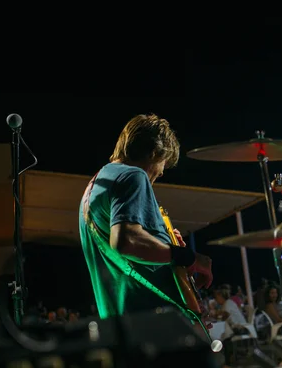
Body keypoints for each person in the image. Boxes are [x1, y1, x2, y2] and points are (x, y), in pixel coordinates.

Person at [79, 113, 214, 322]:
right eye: (162, 165)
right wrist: (189, 257)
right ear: (154, 152)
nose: (160, 175)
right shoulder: (133, 175)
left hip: (122, 323)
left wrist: (163, 241)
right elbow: (126, 241)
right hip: (154, 322)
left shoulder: (96, 185)